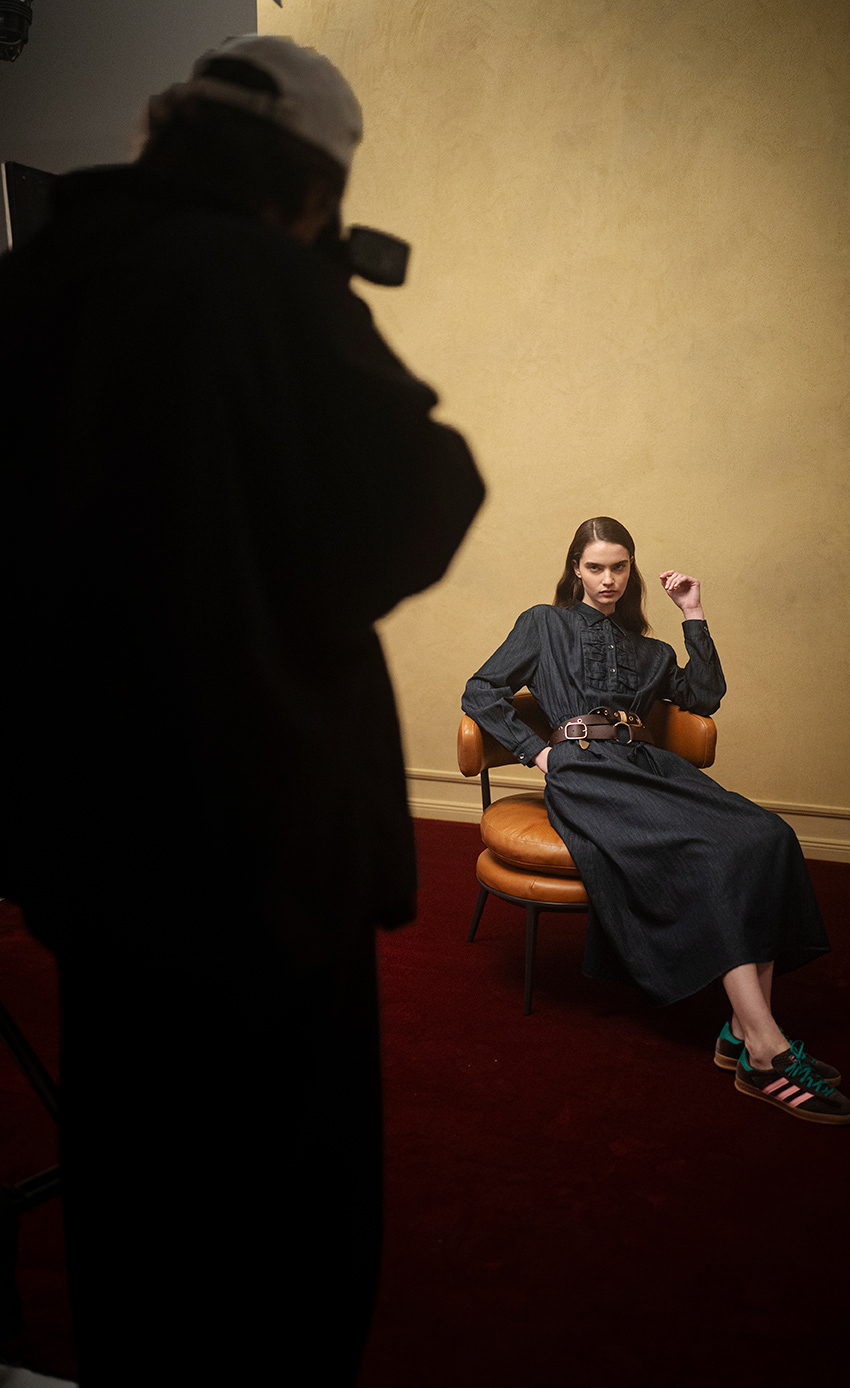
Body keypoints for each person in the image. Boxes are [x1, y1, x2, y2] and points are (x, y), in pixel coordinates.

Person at [0, 34, 483, 1386]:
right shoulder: (261, 278)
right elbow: (420, 495)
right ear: (308, 187)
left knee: (135, 1190)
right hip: (260, 852)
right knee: (286, 1217)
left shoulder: (29, 285)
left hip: (87, 846)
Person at [463, 517, 850, 1126]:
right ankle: (765, 1051)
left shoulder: (651, 650)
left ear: (632, 570)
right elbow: (480, 690)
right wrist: (540, 753)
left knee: (768, 836)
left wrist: (693, 612)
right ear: (576, 569)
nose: (607, 579)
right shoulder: (543, 622)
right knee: (712, 855)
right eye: (595, 567)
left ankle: (740, 1031)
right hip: (586, 772)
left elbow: (702, 696)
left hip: (648, 765)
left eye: (618, 566)